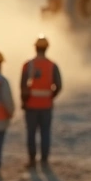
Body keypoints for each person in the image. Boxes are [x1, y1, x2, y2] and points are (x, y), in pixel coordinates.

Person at [20, 35, 63, 169]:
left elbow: (22, 86)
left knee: (31, 133)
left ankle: (32, 160)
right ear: (47, 48)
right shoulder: (52, 65)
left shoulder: (28, 65)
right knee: (45, 133)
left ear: (35, 47)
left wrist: (24, 101)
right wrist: (50, 96)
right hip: (46, 106)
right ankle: (44, 160)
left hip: (31, 106)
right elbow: (59, 85)